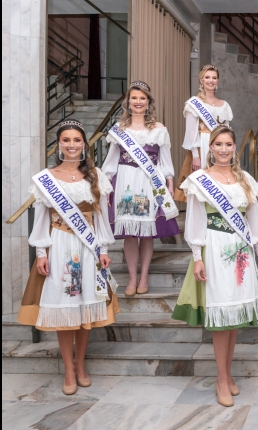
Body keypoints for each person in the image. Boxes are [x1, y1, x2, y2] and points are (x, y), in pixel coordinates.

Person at [17, 120, 119, 395]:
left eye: (76, 140)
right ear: (59, 144)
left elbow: (101, 217)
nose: (72, 145)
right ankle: (69, 369)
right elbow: (40, 219)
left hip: (88, 248)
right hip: (60, 246)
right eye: (66, 140)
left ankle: (81, 363)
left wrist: (104, 250)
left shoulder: (96, 176)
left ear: (84, 144)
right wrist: (41, 252)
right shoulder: (46, 178)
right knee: (65, 308)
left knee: (85, 306)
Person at [172, 125, 258, 407]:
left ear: (234, 148)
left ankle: (226, 374)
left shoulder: (246, 180)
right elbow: (194, 221)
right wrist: (197, 256)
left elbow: (253, 221)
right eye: (219, 145)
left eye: (229, 144)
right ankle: (221, 378)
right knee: (220, 317)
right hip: (214, 249)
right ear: (210, 148)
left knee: (234, 315)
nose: (224, 149)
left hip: (241, 251)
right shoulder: (199, 180)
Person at [102, 81, 180, 296]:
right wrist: (107, 185)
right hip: (125, 179)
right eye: (134, 98)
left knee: (146, 232)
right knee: (129, 234)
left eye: (142, 98)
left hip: (149, 182)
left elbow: (165, 160)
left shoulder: (159, 128)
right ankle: (132, 278)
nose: (138, 102)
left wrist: (170, 182)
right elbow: (111, 160)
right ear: (128, 102)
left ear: (148, 102)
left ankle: (144, 276)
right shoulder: (119, 129)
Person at [174, 64, 233, 202]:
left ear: (217, 81)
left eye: (214, 78)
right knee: (204, 181)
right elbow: (191, 132)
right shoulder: (194, 104)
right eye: (207, 77)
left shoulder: (224, 104)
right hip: (203, 145)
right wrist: (195, 156)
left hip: (221, 147)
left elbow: (229, 131)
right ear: (201, 80)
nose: (210, 81)